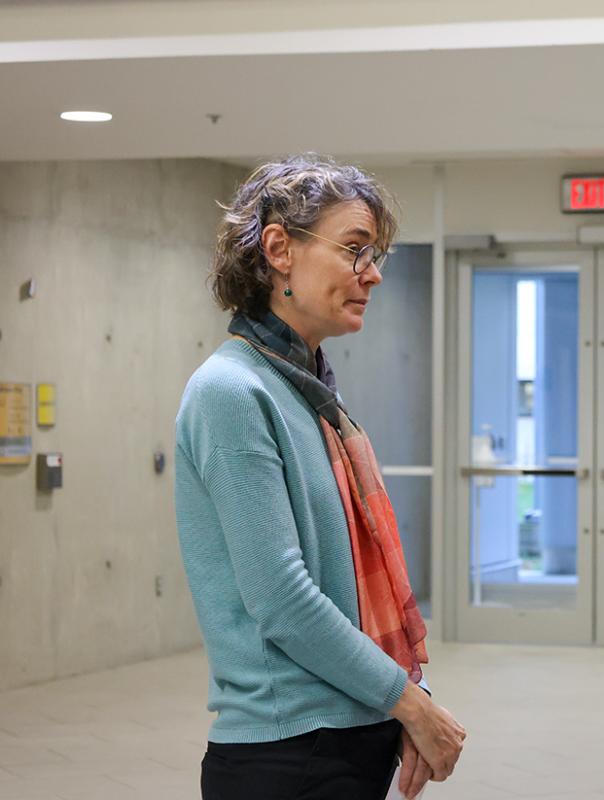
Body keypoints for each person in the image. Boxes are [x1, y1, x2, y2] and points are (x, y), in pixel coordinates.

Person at [175, 154, 464, 800]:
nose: (374, 275)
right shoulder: (232, 392)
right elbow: (283, 599)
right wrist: (410, 705)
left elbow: (351, 592)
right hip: (287, 754)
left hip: (347, 736)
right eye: (355, 251)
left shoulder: (310, 394)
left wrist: (405, 695)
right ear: (279, 248)